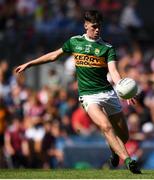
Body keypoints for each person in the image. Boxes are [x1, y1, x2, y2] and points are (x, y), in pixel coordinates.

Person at [15, 9, 141, 174]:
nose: (97, 30)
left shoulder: (107, 48)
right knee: (106, 127)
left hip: (108, 93)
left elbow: (114, 72)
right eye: (94, 26)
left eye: (99, 27)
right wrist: (30, 63)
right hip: (89, 96)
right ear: (86, 25)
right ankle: (128, 161)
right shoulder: (75, 42)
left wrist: (125, 91)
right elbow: (54, 55)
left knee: (123, 136)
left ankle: (115, 152)